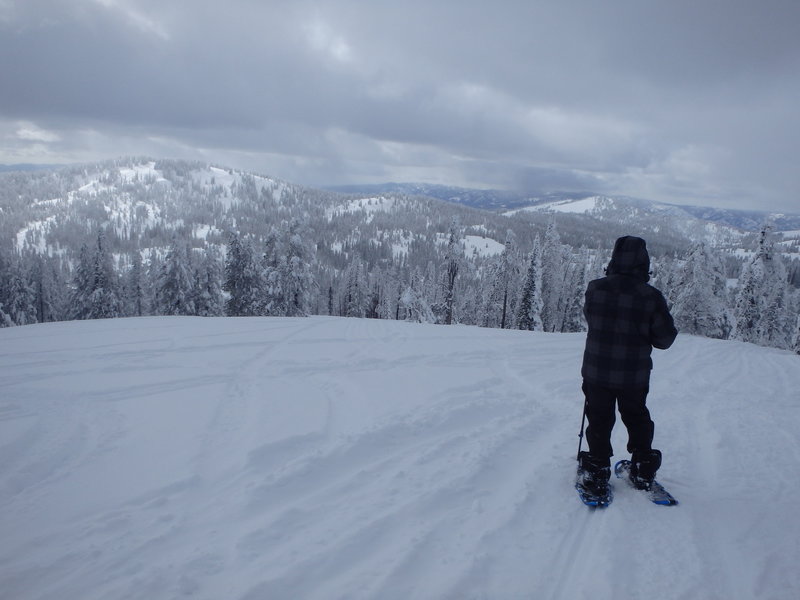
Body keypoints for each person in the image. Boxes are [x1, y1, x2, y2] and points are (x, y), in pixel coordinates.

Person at [577, 235, 678, 496]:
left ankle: (597, 470)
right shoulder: (651, 297)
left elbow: (592, 319)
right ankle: (643, 469)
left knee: (599, 419)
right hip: (633, 375)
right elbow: (665, 340)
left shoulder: (595, 288)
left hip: (596, 371)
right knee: (636, 417)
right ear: (643, 262)